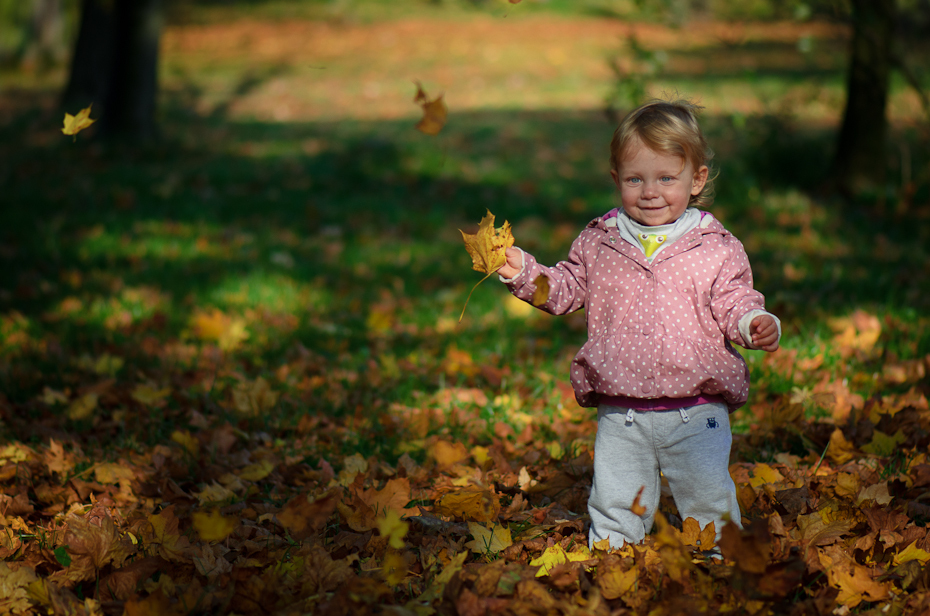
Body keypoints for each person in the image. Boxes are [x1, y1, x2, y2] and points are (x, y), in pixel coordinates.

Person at [496, 98, 781, 549]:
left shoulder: (715, 246)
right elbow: (566, 288)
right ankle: (613, 559)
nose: (650, 191)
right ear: (617, 180)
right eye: (636, 179)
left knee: (707, 495)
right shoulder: (600, 240)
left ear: (697, 178)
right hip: (621, 408)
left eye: (667, 178)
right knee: (617, 497)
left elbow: (734, 298)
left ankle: (722, 558)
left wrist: (753, 322)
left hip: (696, 406)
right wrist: (525, 275)